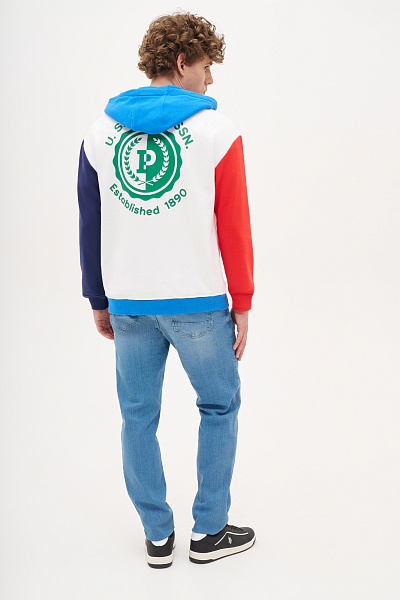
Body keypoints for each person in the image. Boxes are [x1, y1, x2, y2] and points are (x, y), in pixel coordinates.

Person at [77, 11, 255, 568]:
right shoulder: (217, 131)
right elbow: (234, 226)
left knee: (137, 417)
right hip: (198, 303)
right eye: (206, 67)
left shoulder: (100, 133)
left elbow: (89, 223)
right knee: (219, 405)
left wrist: (98, 298)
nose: (210, 79)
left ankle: (157, 537)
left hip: (129, 304)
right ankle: (209, 532)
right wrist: (243, 302)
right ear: (182, 63)